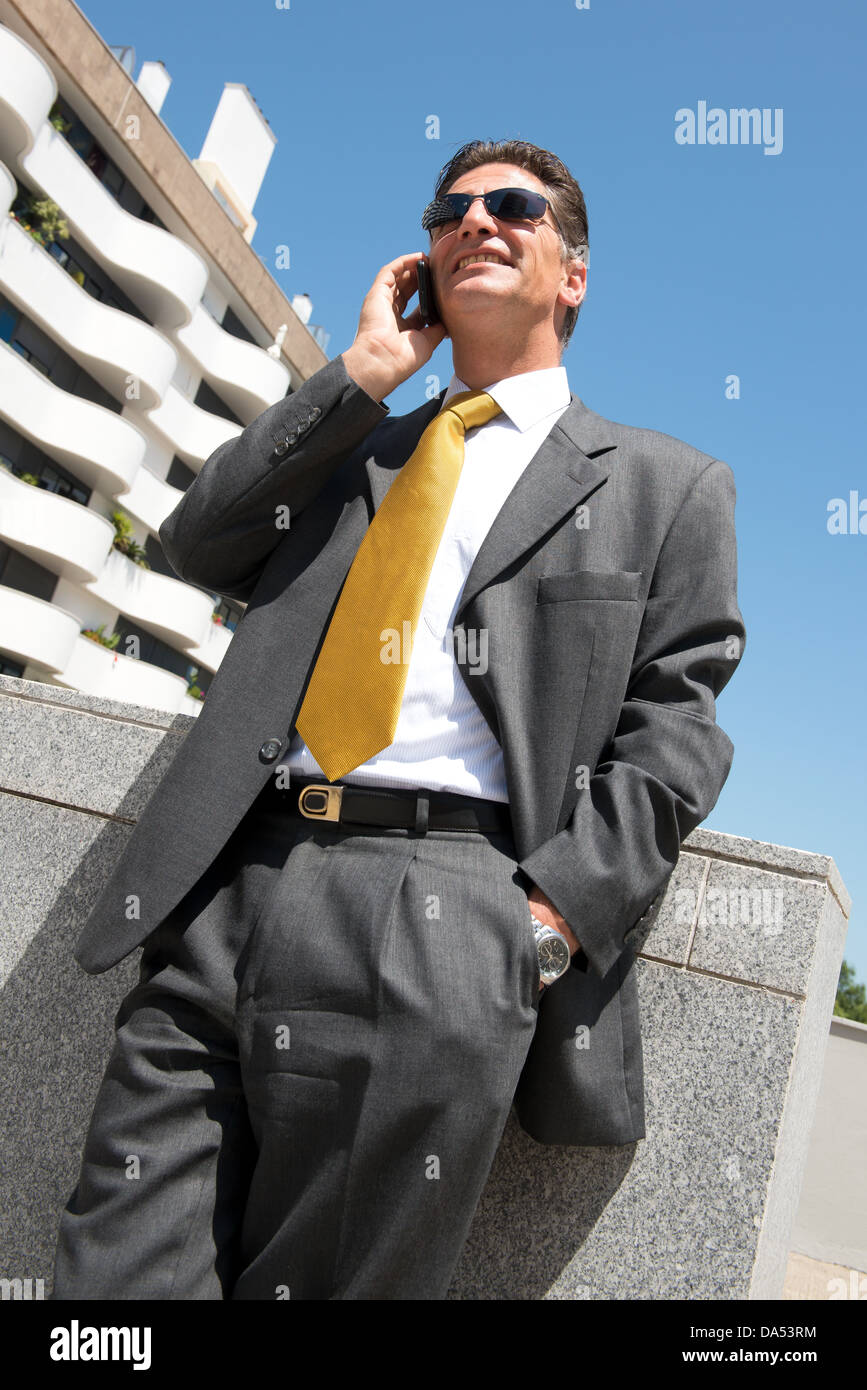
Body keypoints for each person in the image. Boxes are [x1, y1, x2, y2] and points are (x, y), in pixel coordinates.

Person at [52, 138, 745, 1300]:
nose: (475, 221)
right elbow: (201, 543)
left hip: (441, 918)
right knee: (109, 1291)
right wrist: (362, 374)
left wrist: (542, 925)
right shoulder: (355, 447)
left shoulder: (663, 487)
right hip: (234, 886)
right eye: (449, 209)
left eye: (514, 208)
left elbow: (677, 732)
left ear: (573, 274)